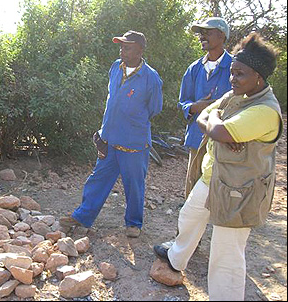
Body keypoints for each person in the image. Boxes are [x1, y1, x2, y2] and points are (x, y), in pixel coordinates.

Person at [153, 32, 282, 300]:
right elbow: (205, 114)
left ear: (259, 76)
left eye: (240, 74)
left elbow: (217, 127)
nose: (233, 79)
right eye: (232, 73)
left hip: (240, 189)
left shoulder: (265, 110)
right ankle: (177, 258)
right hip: (215, 176)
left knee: (226, 254)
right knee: (189, 216)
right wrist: (216, 125)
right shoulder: (239, 95)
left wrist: (218, 128)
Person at [60, 30, 163, 238]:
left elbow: (155, 108)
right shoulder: (115, 67)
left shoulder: (150, 77)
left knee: (134, 185)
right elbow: (112, 100)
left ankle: (133, 224)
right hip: (109, 138)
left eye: (128, 47)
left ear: (140, 51)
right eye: (121, 46)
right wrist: (104, 129)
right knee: (98, 179)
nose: (122, 51)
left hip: (134, 142)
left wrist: (131, 119)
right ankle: (83, 217)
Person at [178, 17, 233, 199]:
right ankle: (188, 228)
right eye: (201, 33)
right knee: (193, 189)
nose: (202, 37)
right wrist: (196, 107)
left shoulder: (235, 68)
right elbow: (183, 102)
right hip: (197, 138)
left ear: (222, 36)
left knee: (224, 189)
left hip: (227, 140)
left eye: (207, 33)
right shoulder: (194, 69)